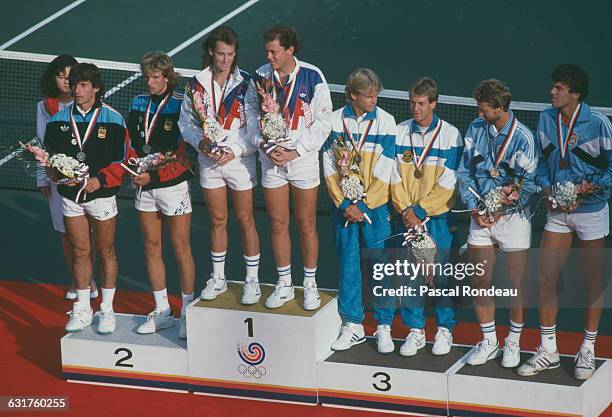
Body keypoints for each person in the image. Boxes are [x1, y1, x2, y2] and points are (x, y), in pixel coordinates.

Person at [518, 65, 612, 379]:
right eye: (553, 86)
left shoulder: (599, 124)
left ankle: (588, 349)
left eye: (558, 88)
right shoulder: (546, 119)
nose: (552, 92)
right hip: (558, 211)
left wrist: (590, 190)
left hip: (591, 211)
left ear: (575, 93)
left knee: (592, 280)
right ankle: (549, 350)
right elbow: (542, 164)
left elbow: (611, 171)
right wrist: (547, 190)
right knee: (545, 277)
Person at [246, 25, 332, 310]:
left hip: (303, 161)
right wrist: (264, 145)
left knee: (306, 223)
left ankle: (309, 284)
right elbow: (249, 112)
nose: (269, 56)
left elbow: (324, 122)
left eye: (274, 51)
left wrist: (296, 150)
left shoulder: (313, 76)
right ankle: (284, 284)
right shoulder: (259, 76)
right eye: (267, 50)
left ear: (289, 50)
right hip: (271, 161)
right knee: (278, 223)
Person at [457, 79, 538, 367]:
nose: (480, 115)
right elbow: (464, 172)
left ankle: (513, 342)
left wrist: (505, 205)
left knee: (515, 284)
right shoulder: (475, 129)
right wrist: (473, 209)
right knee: (479, 280)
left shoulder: (524, 138)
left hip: (513, 220)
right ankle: (489, 341)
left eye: (484, 110)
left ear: (500, 109)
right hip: (480, 215)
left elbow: (530, 184)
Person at [179, 26, 261, 305]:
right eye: (220, 54)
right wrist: (200, 144)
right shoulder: (196, 84)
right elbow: (186, 123)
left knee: (246, 220)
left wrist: (235, 150)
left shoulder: (248, 83)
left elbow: (256, 129)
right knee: (217, 220)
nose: (225, 60)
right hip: (209, 162)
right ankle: (218, 278)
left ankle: (252, 281)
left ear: (235, 53)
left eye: (230, 54)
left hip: (239, 163)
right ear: (212, 52)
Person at [45, 63, 129, 334]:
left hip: (101, 197)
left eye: (82, 85)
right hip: (70, 196)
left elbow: (123, 160)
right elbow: (50, 160)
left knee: (106, 251)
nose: (77, 90)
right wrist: (57, 174)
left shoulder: (113, 119)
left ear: (96, 87)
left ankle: (107, 309)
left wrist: (101, 179)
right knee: (80, 251)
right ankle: (83, 308)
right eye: (74, 84)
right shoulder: (57, 120)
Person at [323, 68, 397, 352]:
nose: (373, 100)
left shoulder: (387, 123)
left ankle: (383, 326)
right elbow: (329, 167)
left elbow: (385, 170)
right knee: (349, 266)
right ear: (353, 95)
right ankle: (353, 325)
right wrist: (344, 203)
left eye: (376, 94)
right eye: (368, 95)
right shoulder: (333, 121)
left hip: (374, 210)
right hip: (342, 209)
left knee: (380, 267)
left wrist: (363, 204)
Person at [392, 77, 463, 357]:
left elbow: (450, 179)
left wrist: (421, 210)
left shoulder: (451, 135)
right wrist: (406, 210)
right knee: (409, 275)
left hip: (438, 218)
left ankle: (444, 329)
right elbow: (392, 174)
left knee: (442, 275)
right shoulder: (399, 132)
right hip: (406, 216)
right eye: (412, 102)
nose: (415, 108)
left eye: (421, 103)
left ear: (433, 103)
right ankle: (415, 331)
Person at [127, 52, 195, 339]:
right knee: (151, 247)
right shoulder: (137, 103)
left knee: (180, 249)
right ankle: (163, 310)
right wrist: (133, 168)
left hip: (173, 185)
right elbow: (131, 141)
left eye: (155, 77)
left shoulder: (182, 105)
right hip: (144, 185)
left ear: (168, 77)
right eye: (147, 77)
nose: (150, 82)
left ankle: (188, 312)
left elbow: (185, 156)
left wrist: (153, 175)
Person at [37, 54, 98, 300]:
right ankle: (80, 279)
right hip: (57, 180)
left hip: (86, 180)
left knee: (88, 233)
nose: (65, 81)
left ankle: (89, 277)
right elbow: (41, 143)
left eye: (69, 76)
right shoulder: (45, 107)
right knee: (65, 232)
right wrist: (43, 178)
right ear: (54, 78)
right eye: (61, 76)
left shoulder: (89, 105)